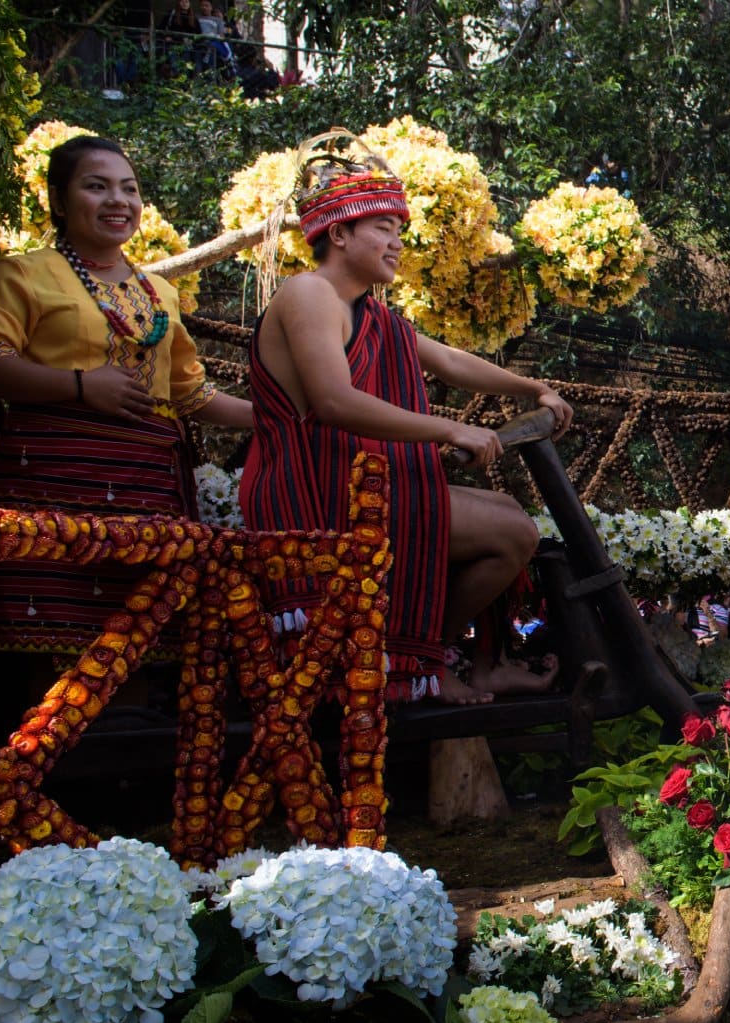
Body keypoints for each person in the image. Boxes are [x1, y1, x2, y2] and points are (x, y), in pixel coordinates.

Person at [239, 147, 575, 705]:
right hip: (313, 492)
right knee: (513, 535)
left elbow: (449, 361)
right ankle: (424, 659)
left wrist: (531, 388)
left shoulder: (374, 315)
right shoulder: (309, 293)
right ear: (339, 234)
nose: (397, 241)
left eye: (399, 228)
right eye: (383, 227)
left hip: (358, 485)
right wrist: (447, 430)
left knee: (511, 516)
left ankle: (478, 664)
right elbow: (331, 400)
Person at [0, 136, 254, 656]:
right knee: (49, 649)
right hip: (55, 480)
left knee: (138, 642)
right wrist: (81, 385)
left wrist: (273, 417)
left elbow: (189, 394)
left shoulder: (159, 292)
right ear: (58, 200)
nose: (118, 201)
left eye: (129, 189)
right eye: (96, 187)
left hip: (147, 486)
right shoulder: (22, 274)